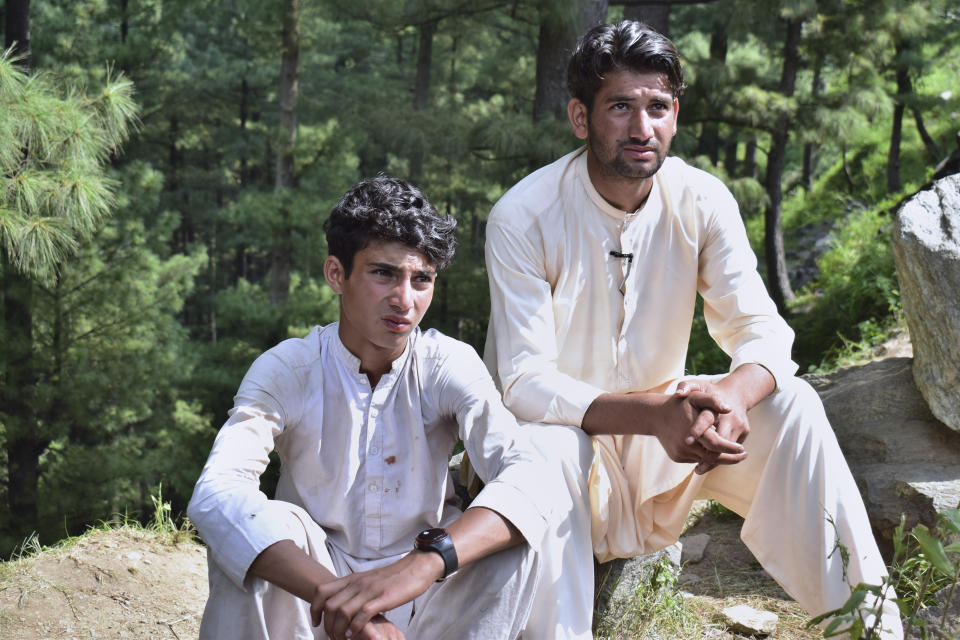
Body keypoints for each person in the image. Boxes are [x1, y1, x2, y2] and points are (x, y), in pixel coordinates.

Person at [483, 20, 902, 638]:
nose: (641, 127)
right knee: (554, 443)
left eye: (657, 107)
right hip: (559, 466)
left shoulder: (702, 200)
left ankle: (868, 628)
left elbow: (763, 330)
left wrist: (733, 398)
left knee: (794, 405)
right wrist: (656, 412)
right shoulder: (523, 215)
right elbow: (522, 384)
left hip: (666, 459)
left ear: (675, 115)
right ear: (580, 117)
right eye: (620, 107)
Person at [188, 174, 590, 640]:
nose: (405, 300)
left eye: (422, 280)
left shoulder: (447, 363)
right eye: (384, 273)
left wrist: (424, 564)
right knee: (258, 533)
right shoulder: (288, 369)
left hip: (428, 594)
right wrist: (347, 599)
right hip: (313, 602)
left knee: (510, 536)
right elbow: (217, 493)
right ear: (336, 274)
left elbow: (529, 475)